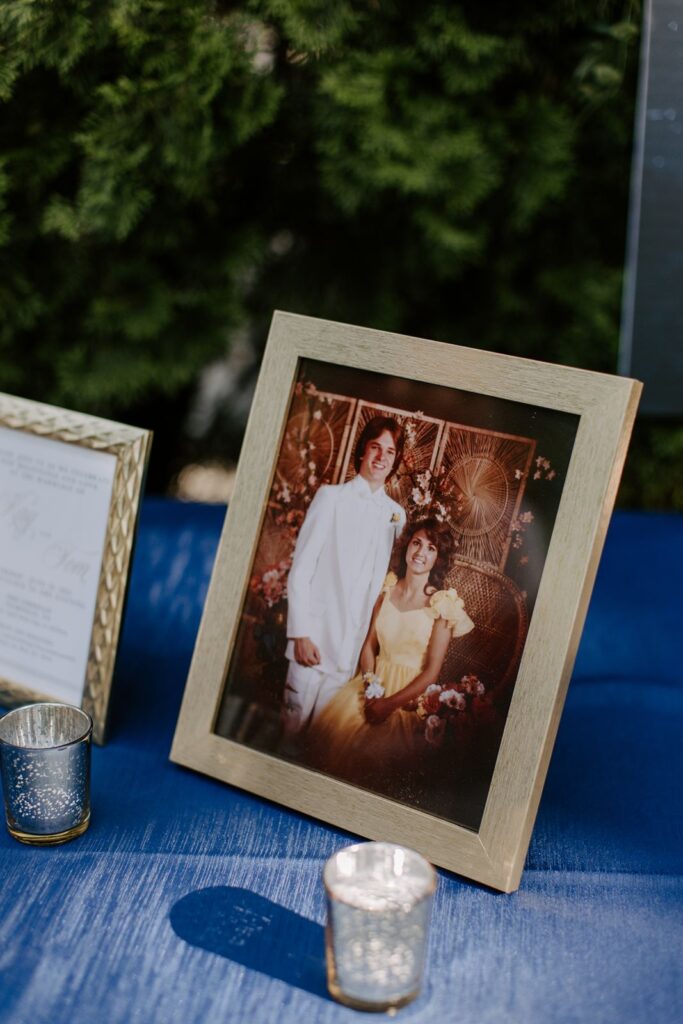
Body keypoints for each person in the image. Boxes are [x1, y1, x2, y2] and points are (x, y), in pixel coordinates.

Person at [306, 517, 474, 787]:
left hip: (407, 696)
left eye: (431, 548)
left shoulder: (442, 605)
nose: (421, 553)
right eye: (417, 543)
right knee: (337, 733)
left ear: (438, 559)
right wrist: (371, 685)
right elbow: (369, 647)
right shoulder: (387, 590)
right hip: (372, 684)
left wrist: (388, 704)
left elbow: (432, 672)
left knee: (372, 755)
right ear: (407, 544)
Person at [282, 416, 406, 737]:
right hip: (313, 640)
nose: (381, 457)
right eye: (375, 447)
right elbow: (301, 570)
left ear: (395, 460)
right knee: (290, 735)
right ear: (362, 451)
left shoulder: (395, 515)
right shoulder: (331, 498)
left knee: (321, 742)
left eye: (389, 452)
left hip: (349, 652)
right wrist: (300, 634)